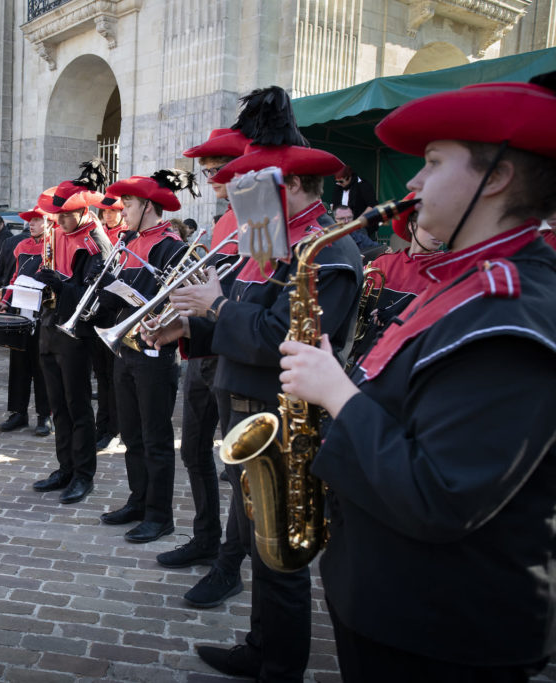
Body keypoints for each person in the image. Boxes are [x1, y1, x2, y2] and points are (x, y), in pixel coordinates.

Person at [278, 73, 556, 683]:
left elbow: (440, 496)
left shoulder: (510, 311)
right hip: (394, 601)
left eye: (432, 162)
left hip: (441, 628)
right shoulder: (465, 281)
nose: (413, 182)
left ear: (498, 177)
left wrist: (335, 392)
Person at [151, 86, 362, 682]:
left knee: (281, 556)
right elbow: (243, 311)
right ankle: (261, 644)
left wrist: (216, 309)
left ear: (292, 185)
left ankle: (281, 667)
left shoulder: (328, 252)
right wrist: (188, 328)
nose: (240, 195)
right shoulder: (271, 239)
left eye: (254, 182)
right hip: (246, 406)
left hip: (283, 417)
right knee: (264, 548)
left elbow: (277, 336)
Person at [158, 128, 250, 604]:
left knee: (235, 466)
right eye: (207, 169)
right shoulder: (222, 219)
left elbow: (241, 293)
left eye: (218, 168)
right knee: (193, 450)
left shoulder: (252, 219)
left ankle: (230, 563)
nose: (210, 177)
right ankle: (206, 537)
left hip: (230, 350)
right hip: (202, 348)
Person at [93, 169, 193, 544]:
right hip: (125, 349)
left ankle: (159, 514)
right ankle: (138, 500)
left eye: (130, 203)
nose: (124, 209)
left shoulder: (172, 246)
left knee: (155, 437)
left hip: (156, 351)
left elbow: (179, 300)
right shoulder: (128, 242)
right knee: (132, 434)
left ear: (149, 205)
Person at [31, 161, 113, 505]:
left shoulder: (96, 241)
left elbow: (100, 295)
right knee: (57, 407)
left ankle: (83, 474)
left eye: (66, 215)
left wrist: (61, 285)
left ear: (83, 211)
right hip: (52, 328)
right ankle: (65, 466)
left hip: (78, 334)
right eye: (58, 215)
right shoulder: (59, 233)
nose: (59, 221)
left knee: (78, 407)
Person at [345, 192, 443, 368]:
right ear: (412, 225)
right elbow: (357, 313)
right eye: (430, 226)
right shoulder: (382, 263)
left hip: (413, 361)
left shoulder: (449, 268)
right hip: (366, 358)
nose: (438, 233)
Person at [0, 205, 53, 436]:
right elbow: (15, 275)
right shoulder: (22, 245)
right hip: (21, 309)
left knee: (42, 366)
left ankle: (44, 415)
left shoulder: (54, 245)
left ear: (48, 222)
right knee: (18, 365)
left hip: (44, 310)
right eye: (31, 220)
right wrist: (6, 300)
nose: (32, 224)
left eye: (38, 220)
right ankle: (18, 413)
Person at [89, 192, 127, 451]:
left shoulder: (126, 236)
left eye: (113, 211)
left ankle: (115, 427)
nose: (108, 215)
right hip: (99, 311)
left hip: (118, 313)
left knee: (115, 378)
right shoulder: (99, 234)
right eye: (105, 211)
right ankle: (102, 424)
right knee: (102, 376)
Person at [331, 165, 378, 237]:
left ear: (349, 177)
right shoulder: (338, 187)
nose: (339, 183)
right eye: (337, 182)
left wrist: (356, 223)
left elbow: (372, 206)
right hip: (342, 226)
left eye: (341, 181)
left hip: (360, 226)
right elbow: (334, 205)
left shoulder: (363, 185)